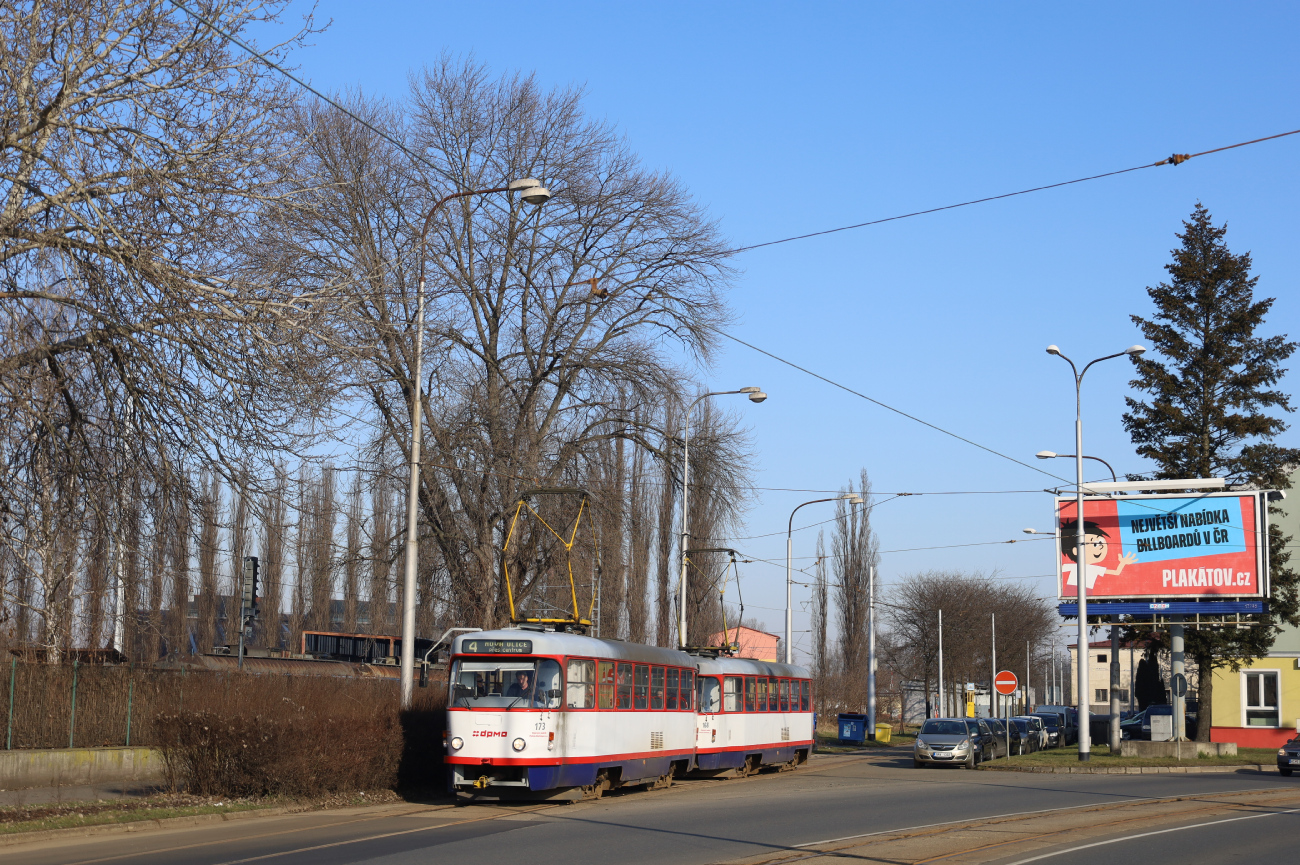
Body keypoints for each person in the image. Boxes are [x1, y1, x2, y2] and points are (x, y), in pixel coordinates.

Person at [1062, 519, 1136, 590]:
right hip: (1072, 591)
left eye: (1100, 542)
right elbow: (1060, 570)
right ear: (1075, 551)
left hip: (1088, 592)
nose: (1101, 546)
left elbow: (1116, 572)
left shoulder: (1095, 569)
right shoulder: (1075, 567)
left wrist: (1122, 563)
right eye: (1095, 544)